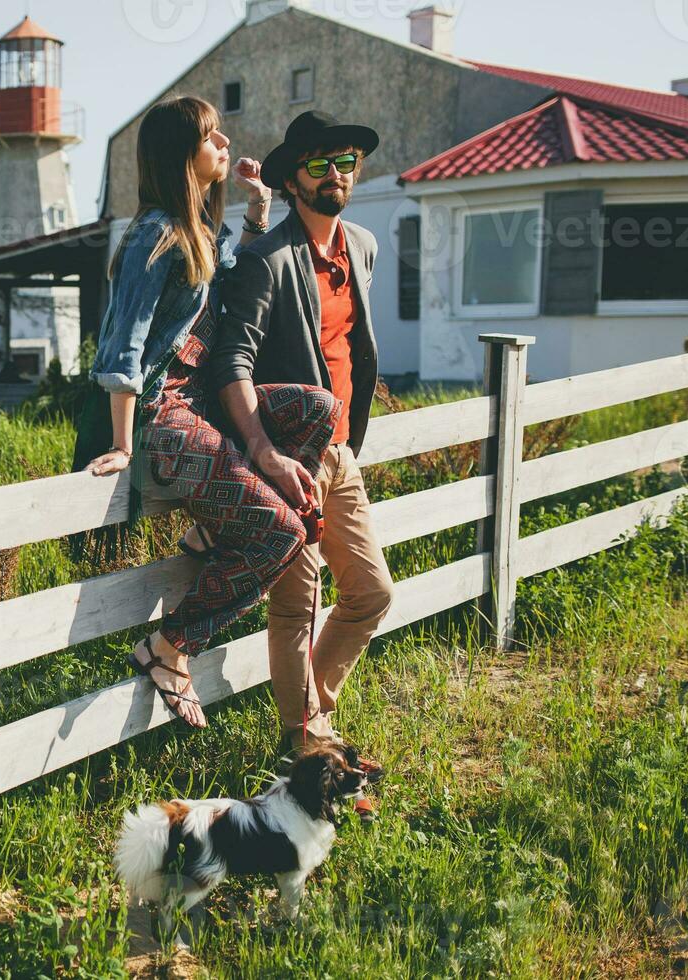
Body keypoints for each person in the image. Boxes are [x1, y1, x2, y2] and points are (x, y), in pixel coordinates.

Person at [75, 95, 337, 730]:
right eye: (210, 136)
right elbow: (123, 342)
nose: (225, 144)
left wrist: (256, 211)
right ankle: (171, 646)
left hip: (200, 404)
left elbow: (231, 276)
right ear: (180, 154)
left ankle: (216, 529)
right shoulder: (152, 236)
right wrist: (125, 441)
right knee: (281, 532)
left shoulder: (193, 231)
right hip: (161, 414)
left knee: (316, 410)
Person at [207, 110, 396, 811]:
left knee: (371, 592)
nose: (337, 173)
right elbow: (234, 359)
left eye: (347, 160)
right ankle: (308, 742)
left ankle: (314, 719)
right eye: (320, 163)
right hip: (287, 456)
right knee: (296, 605)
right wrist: (261, 449)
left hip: (342, 452)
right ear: (292, 179)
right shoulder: (268, 258)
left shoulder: (364, 247)